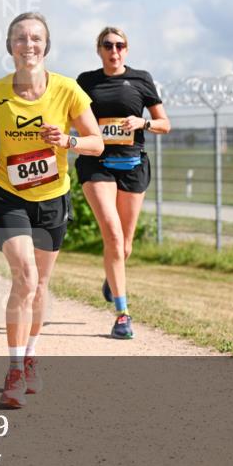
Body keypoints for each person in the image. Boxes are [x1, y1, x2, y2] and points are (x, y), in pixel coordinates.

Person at [0, 12, 103, 408]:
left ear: (46, 45)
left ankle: (30, 356)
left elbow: (96, 142)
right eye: (21, 38)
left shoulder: (68, 90)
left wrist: (68, 140)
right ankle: (13, 368)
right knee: (25, 278)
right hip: (7, 194)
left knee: (41, 284)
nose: (29, 45)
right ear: (9, 46)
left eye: (36, 38)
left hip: (53, 196)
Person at [76, 26, 171, 339]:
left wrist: (142, 122)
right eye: (107, 45)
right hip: (97, 163)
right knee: (113, 236)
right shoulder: (86, 81)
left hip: (132, 165)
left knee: (125, 245)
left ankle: (111, 274)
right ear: (99, 50)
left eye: (119, 45)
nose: (113, 51)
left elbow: (164, 124)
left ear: (126, 50)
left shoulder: (141, 79)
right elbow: (73, 117)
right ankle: (122, 314)